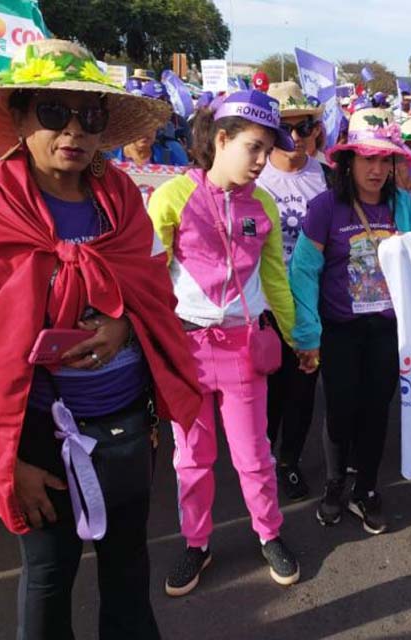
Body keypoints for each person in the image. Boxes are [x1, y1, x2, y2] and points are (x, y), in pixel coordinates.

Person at [0, 39, 202, 639]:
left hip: (127, 425)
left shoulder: (122, 199)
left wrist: (125, 324)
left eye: (92, 117)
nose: (74, 131)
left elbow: (154, 292)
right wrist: (13, 459)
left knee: (129, 566)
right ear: (22, 118)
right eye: (55, 113)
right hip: (36, 439)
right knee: (49, 574)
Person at [148, 89, 306, 596]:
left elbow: (276, 278)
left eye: (268, 150)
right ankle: (196, 543)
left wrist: (302, 336)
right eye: (254, 148)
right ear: (221, 138)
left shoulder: (263, 204)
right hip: (186, 348)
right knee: (191, 457)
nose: (263, 161)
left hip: (244, 346)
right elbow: (150, 282)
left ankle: (269, 533)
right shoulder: (171, 197)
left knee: (254, 455)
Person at [290, 108, 411, 536]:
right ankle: (334, 485)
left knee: (376, 411)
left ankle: (365, 488)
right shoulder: (325, 207)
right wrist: (309, 333)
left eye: (385, 160)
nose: (377, 169)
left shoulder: (401, 206)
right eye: (368, 159)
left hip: (387, 331)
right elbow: (303, 271)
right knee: (341, 410)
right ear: (347, 162)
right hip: (340, 331)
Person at [257, 80, 331, 501]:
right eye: (288, 128)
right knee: (266, 393)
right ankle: (261, 463)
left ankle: (288, 463)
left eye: (306, 126)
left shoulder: (328, 179)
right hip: (264, 307)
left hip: (310, 308)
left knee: (302, 391)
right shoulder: (254, 176)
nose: (299, 136)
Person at [110, 79, 189, 166]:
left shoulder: (173, 150)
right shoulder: (109, 155)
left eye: (150, 126)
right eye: (139, 126)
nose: (145, 133)